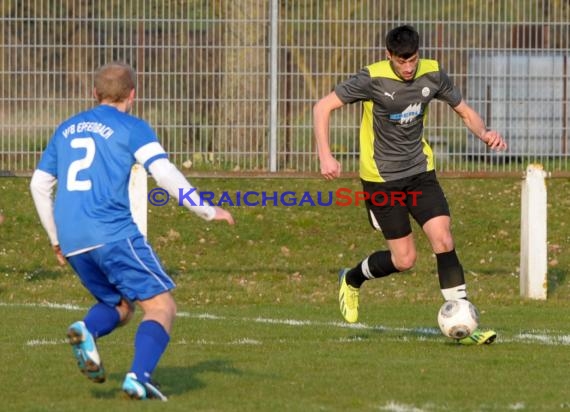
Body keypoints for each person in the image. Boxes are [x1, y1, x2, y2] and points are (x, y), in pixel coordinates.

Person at [30, 62, 235, 400]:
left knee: (120, 305)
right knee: (161, 307)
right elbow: (165, 174)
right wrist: (206, 209)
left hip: (73, 239)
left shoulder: (65, 128)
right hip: (112, 232)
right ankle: (138, 377)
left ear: (94, 94)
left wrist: (55, 238)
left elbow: (39, 185)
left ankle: (87, 328)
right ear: (133, 95)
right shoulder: (131, 127)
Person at [313, 25, 507, 345]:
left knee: (443, 239)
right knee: (404, 260)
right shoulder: (371, 78)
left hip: (420, 172)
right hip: (382, 180)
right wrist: (325, 156)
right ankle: (351, 278)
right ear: (388, 55)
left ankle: (464, 325)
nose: (407, 68)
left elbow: (464, 111)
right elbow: (322, 107)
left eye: (412, 60)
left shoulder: (432, 74)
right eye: (401, 62)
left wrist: (484, 133)